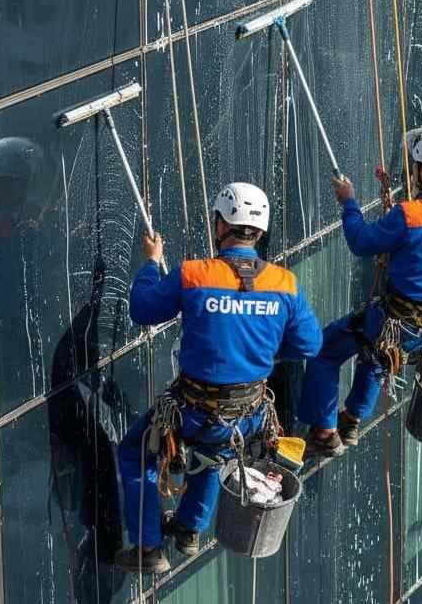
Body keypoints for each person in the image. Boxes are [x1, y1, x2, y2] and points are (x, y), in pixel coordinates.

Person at [115, 183, 323, 574]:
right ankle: (190, 530)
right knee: (218, 452)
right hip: (247, 412)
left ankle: (148, 548)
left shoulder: (194, 274)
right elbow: (310, 344)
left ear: (219, 226)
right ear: (259, 233)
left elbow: (142, 310)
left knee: (134, 453)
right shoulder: (284, 284)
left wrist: (149, 264)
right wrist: (263, 351)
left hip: (193, 407)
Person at [299, 129, 422, 457]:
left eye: (416, 166)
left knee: (326, 350)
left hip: (399, 322)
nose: (412, 171)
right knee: (376, 355)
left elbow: (361, 241)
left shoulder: (410, 216)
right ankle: (351, 421)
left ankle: (326, 433)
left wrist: (349, 202)